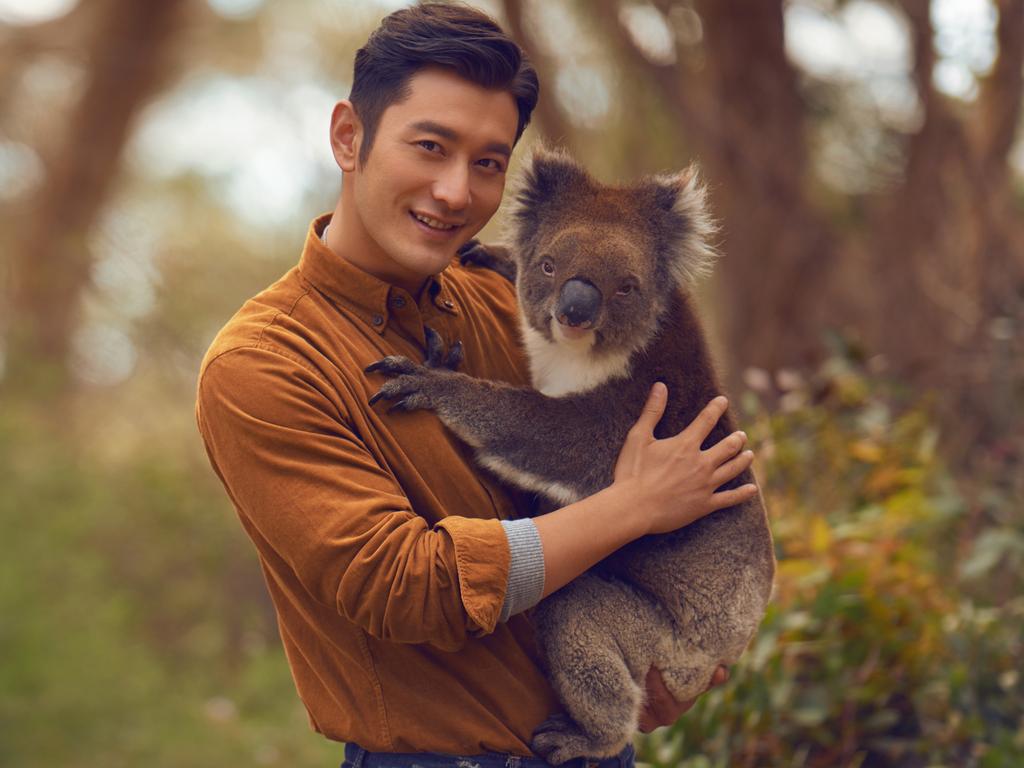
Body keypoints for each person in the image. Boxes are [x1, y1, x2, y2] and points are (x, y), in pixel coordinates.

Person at [195, 3, 758, 767]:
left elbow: (645, 375)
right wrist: (635, 508)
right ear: (348, 137)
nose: (456, 192)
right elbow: (406, 589)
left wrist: (669, 645)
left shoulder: (505, 301)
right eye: (431, 147)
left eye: (488, 164)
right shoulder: (265, 363)